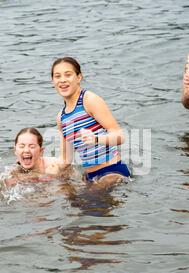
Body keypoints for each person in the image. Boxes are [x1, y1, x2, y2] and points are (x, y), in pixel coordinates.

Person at [52, 57, 131, 187]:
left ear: (79, 77)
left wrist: (96, 139)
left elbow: (120, 136)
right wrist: (38, 170)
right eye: (57, 76)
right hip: (90, 177)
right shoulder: (61, 118)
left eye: (68, 75)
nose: (62, 80)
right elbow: (66, 160)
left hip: (112, 172)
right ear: (53, 81)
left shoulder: (89, 100)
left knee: (87, 202)